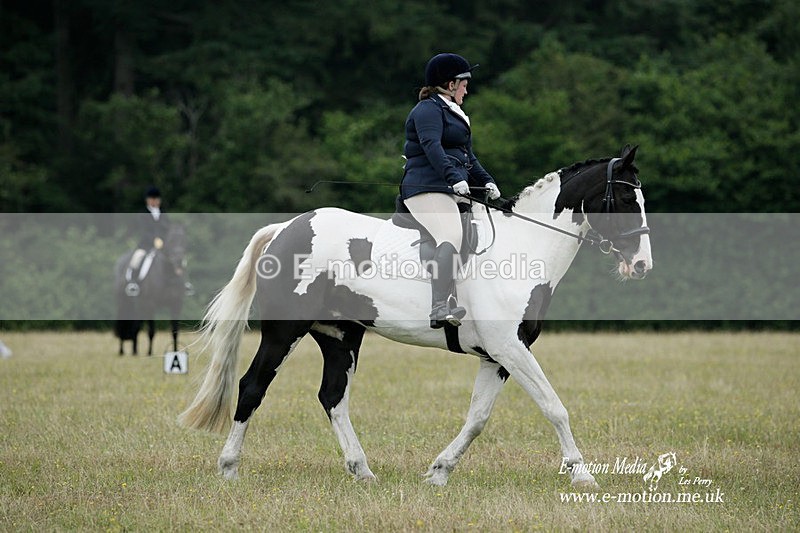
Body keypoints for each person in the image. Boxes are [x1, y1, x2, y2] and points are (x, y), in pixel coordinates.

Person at [400, 52, 501, 329]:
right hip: (425, 186)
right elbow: (432, 146)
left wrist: (487, 179)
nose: (467, 88)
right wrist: (452, 176)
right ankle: (437, 307)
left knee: (471, 234)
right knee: (451, 234)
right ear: (450, 83)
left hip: (449, 185)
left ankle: (457, 297)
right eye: (464, 83)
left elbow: (468, 156)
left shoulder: (454, 113)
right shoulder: (427, 110)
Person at [126, 186, 170, 294]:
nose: (154, 201)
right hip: (146, 245)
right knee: (137, 258)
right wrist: (154, 240)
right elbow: (143, 231)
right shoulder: (142, 214)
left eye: (156, 199)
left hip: (163, 246)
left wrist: (163, 240)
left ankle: (183, 283)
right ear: (148, 200)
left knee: (177, 258)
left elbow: (168, 229)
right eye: (152, 199)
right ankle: (133, 282)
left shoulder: (163, 214)